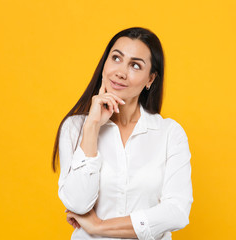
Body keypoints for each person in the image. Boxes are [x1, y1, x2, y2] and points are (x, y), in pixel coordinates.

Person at [52, 27, 193, 240]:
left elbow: (177, 213)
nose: (120, 71)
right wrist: (92, 126)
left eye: (135, 65)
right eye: (116, 58)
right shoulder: (74, 128)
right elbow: (78, 203)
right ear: (104, 64)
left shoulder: (169, 134)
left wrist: (99, 227)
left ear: (150, 79)